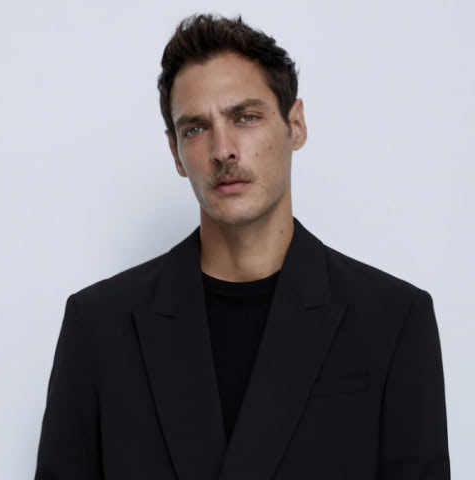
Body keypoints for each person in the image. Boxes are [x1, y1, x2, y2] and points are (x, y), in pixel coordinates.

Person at [34, 13, 451, 479]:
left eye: (246, 117)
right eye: (196, 128)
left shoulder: (393, 319)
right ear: (175, 153)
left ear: (296, 125)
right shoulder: (99, 326)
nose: (223, 150)